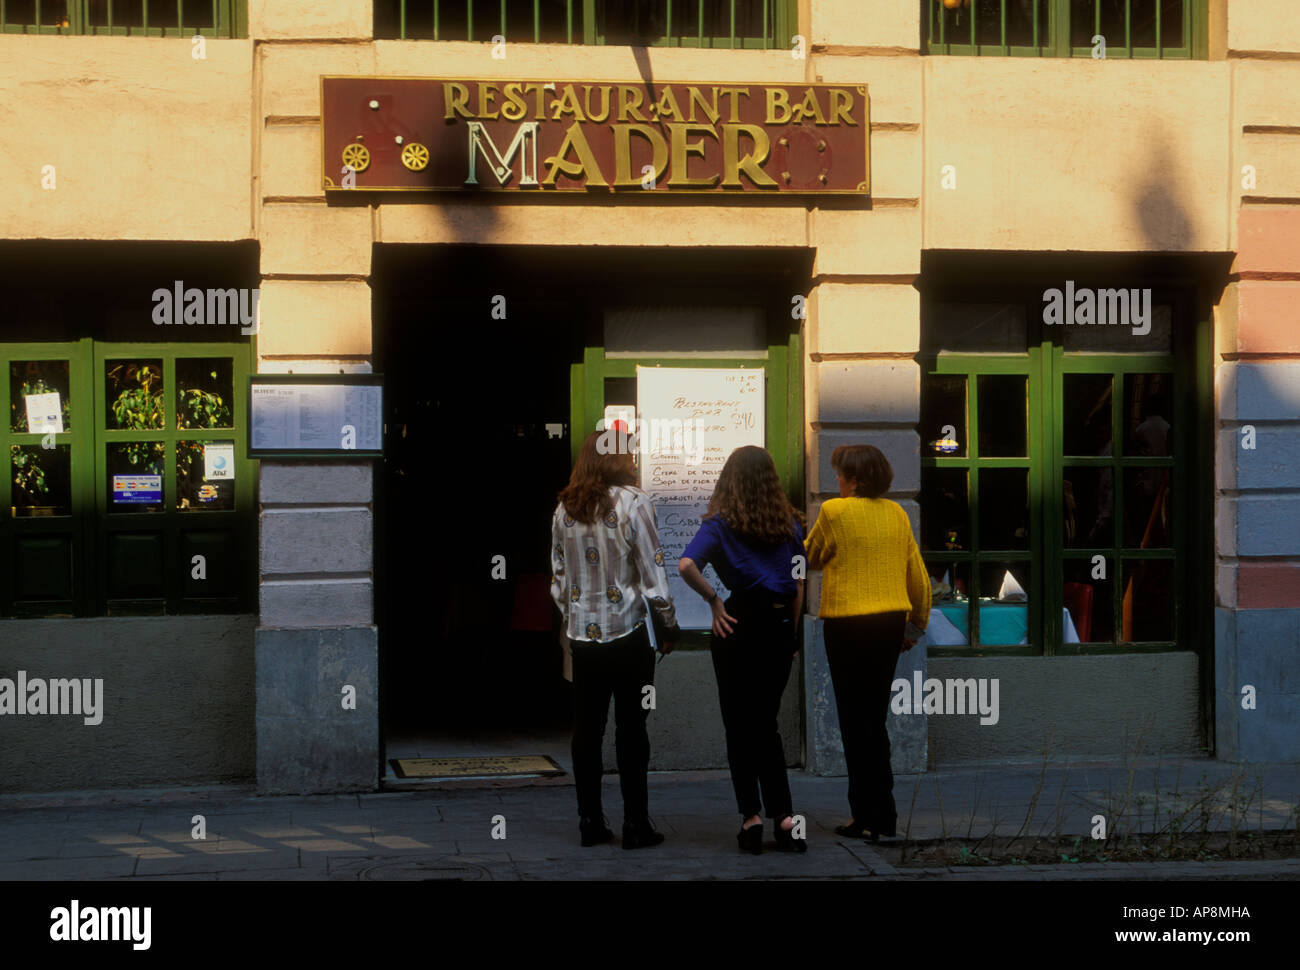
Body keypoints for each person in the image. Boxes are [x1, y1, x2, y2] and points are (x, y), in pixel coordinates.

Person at [550, 429, 679, 850]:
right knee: (632, 730)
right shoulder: (635, 503)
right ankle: (636, 824)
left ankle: (589, 820)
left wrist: (573, 616)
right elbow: (653, 571)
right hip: (628, 635)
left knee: (586, 730)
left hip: (584, 640)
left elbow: (558, 579)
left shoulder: (563, 510)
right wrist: (668, 622)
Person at [678, 446, 807, 854]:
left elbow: (685, 566)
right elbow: (800, 584)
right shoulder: (790, 525)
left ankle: (751, 820)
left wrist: (714, 601)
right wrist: (792, 634)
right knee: (765, 723)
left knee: (738, 724)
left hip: (735, 625)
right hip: (778, 625)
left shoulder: (720, 524)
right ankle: (785, 820)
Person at [805, 444, 930, 843]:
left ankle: (864, 814)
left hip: (847, 624)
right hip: (889, 623)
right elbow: (919, 578)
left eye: (840, 474)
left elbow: (811, 557)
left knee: (853, 720)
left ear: (855, 479)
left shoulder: (833, 512)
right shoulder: (897, 514)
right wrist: (914, 627)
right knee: (874, 720)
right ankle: (883, 816)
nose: (837, 480)